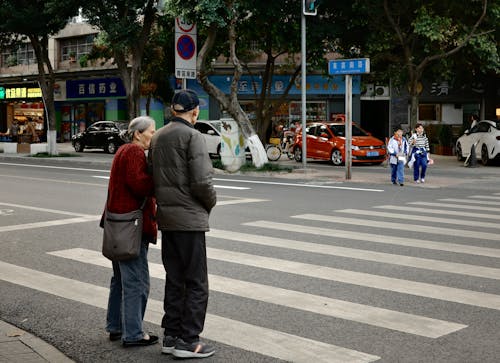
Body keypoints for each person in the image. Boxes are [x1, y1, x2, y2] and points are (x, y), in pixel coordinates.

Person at [149, 89, 217, 359]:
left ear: (173, 110)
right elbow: (202, 182)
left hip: (167, 218)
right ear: (195, 111)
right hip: (189, 220)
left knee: (175, 279)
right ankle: (189, 341)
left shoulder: (157, 136)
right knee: (197, 282)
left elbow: (152, 176)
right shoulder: (193, 136)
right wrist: (210, 203)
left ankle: (171, 335)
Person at [103, 116, 158, 347]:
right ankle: (133, 333)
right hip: (131, 227)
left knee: (120, 280)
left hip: (117, 225)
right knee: (137, 282)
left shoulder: (122, 151)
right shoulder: (134, 152)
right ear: (138, 133)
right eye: (151, 131)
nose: (153, 136)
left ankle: (115, 326)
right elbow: (141, 185)